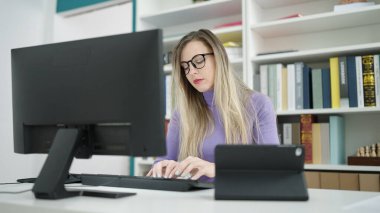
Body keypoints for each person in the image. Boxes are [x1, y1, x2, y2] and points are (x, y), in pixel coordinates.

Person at [147, 29, 279, 182]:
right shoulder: (181, 112)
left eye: (198, 61)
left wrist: (217, 168)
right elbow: (163, 160)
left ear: (218, 58)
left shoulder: (259, 105)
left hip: (240, 200)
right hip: (195, 200)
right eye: (185, 67)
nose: (192, 72)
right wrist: (163, 167)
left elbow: (272, 168)